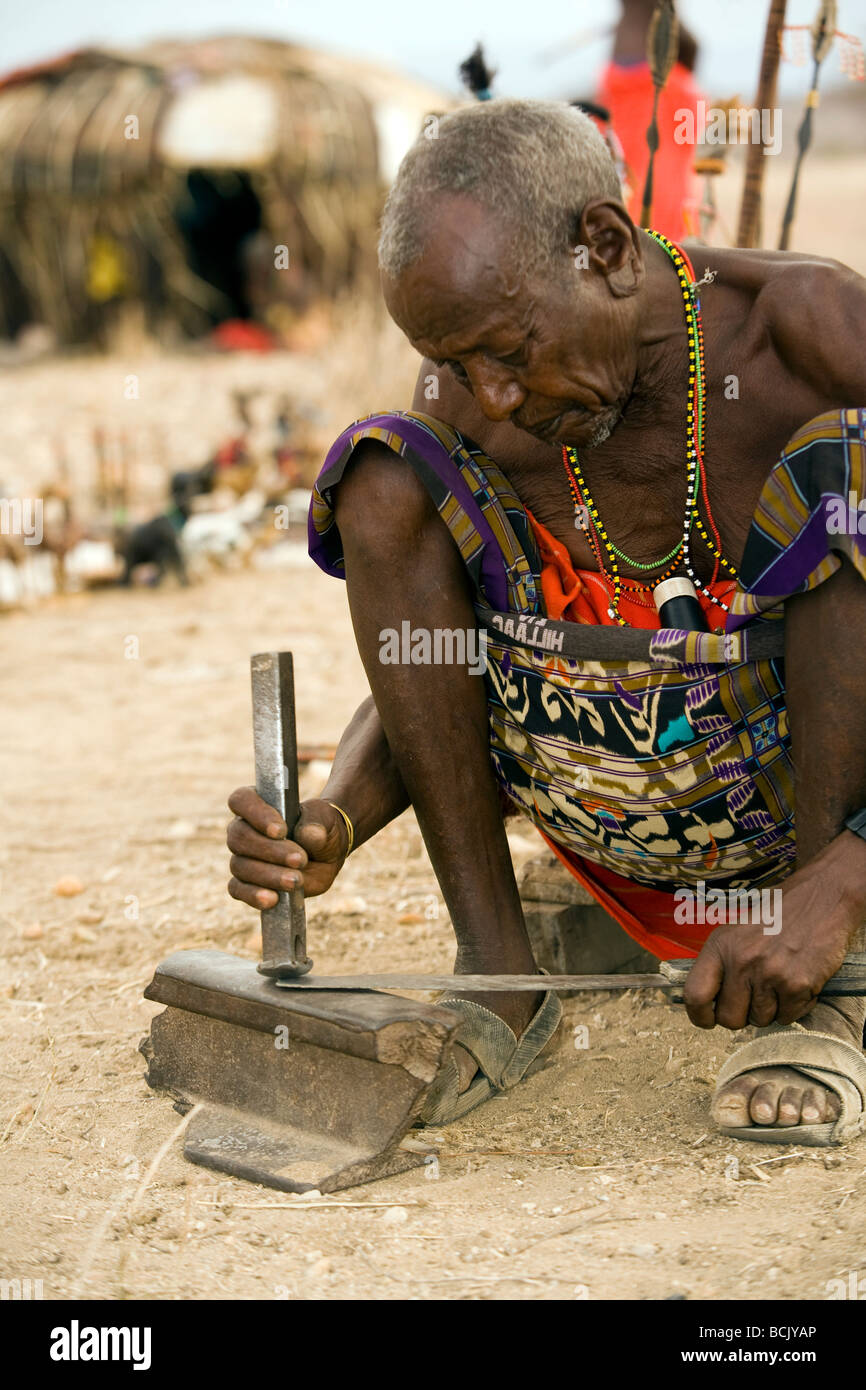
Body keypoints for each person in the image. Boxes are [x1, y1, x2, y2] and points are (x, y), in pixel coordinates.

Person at [227, 101, 866, 1143]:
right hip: (611, 810)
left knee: (855, 468)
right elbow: (450, 655)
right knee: (385, 471)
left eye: (508, 350)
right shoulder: (473, 398)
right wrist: (331, 815)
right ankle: (499, 975)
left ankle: (846, 988)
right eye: (454, 360)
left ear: (604, 248)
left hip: (813, 849)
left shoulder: (808, 330)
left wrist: (842, 883)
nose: (491, 394)